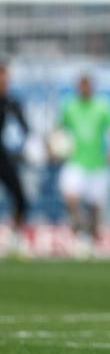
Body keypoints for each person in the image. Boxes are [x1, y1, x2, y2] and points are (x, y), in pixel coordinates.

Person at [56, 74, 110, 256]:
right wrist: (54, 146)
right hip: (75, 161)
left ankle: (90, 239)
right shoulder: (69, 106)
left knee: (95, 207)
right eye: (81, 85)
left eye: (87, 85)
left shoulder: (103, 107)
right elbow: (59, 130)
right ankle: (81, 232)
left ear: (92, 86)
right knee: (70, 196)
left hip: (97, 163)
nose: (84, 88)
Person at [0, 62, 30, 256]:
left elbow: (25, 127)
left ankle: (16, 237)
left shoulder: (11, 102)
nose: (4, 82)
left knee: (20, 196)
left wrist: (31, 145)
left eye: (6, 78)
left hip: (1, 153)